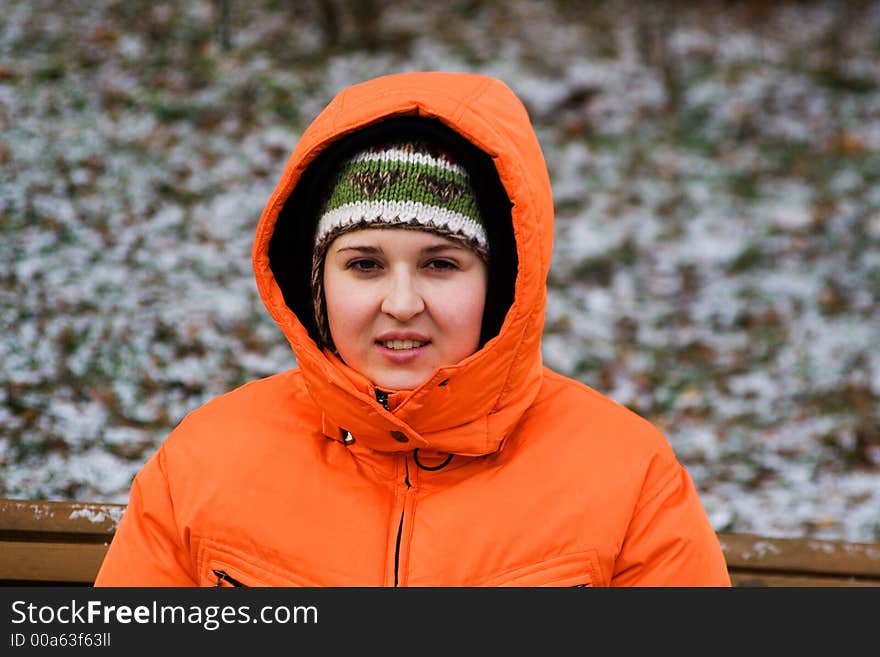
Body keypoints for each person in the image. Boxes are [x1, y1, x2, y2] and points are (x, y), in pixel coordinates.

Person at [95, 71, 731, 586]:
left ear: (502, 281)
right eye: (365, 264)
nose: (401, 303)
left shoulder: (625, 473)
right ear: (315, 282)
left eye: (441, 263)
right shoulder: (205, 462)